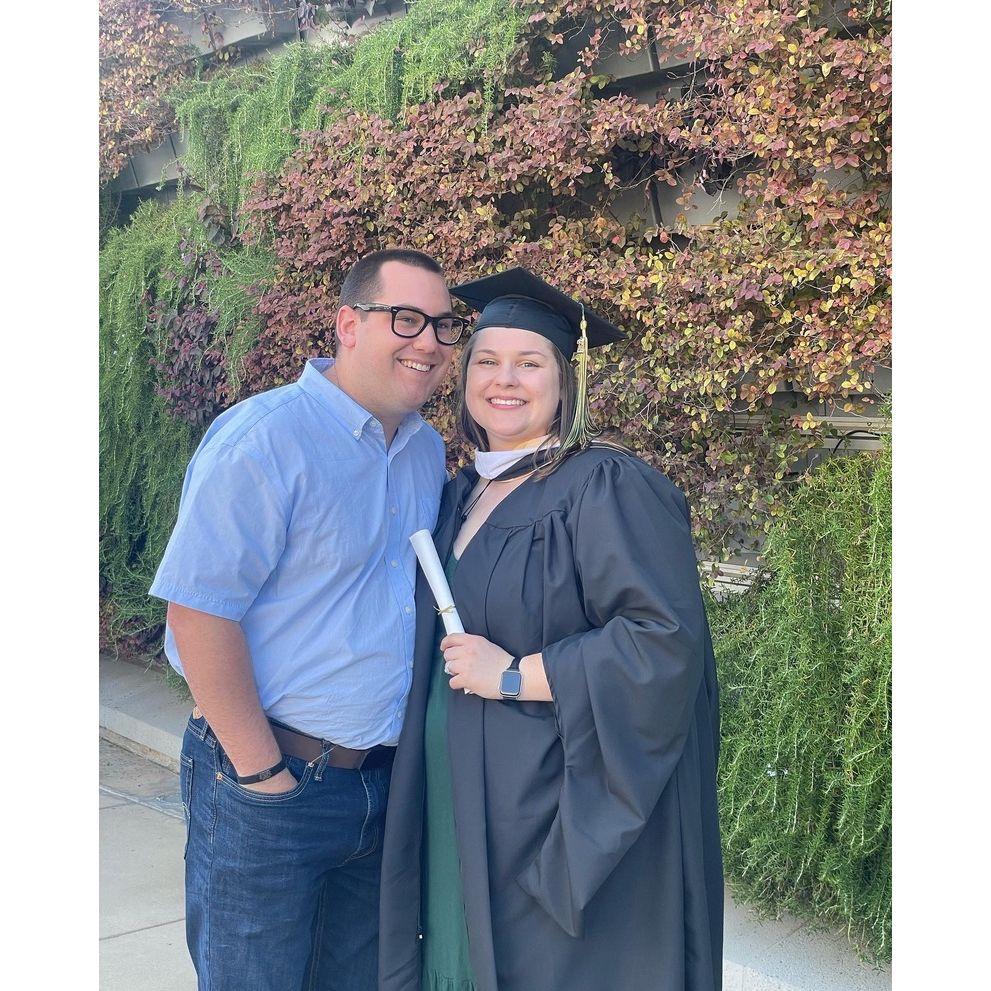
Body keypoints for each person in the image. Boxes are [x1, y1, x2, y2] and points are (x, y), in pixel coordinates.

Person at [378, 268, 724, 991]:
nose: (504, 380)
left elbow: (662, 640)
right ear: (464, 379)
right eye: (486, 361)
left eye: (528, 363)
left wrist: (511, 676)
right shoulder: (459, 492)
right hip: (454, 795)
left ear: (565, 383)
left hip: (544, 810)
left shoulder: (604, 485)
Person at [149, 248, 465, 991]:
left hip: (378, 789)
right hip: (270, 781)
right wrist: (262, 775)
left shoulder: (424, 451)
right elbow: (198, 612)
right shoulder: (265, 438)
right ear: (348, 325)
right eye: (405, 319)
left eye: (443, 325)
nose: (428, 342)